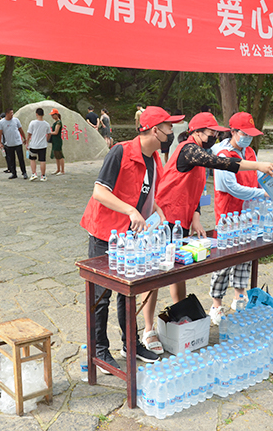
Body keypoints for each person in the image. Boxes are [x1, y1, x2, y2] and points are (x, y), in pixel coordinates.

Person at [80, 106, 185, 370]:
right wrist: (130, 210)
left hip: (132, 235)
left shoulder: (154, 159)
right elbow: (99, 192)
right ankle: (99, 351)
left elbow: (146, 194)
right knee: (101, 294)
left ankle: (131, 343)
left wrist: (157, 211)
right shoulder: (121, 151)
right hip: (106, 233)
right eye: (169, 127)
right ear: (155, 130)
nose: (172, 132)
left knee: (128, 291)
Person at [156, 112, 273, 304]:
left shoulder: (200, 153)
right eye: (211, 133)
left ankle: (180, 309)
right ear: (196, 132)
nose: (214, 137)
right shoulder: (188, 149)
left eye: (216, 133)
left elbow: (197, 190)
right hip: (165, 217)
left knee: (179, 269)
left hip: (182, 218)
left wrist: (196, 217)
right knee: (158, 273)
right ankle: (159, 317)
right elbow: (220, 163)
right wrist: (257, 165)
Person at [208, 112, 268, 325]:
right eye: (244, 134)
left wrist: (272, 184)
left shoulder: (250, 152)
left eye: (251, 134)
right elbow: (231, 187)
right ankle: (216, 304)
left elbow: (257, 177)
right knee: (224, 260)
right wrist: (262, 193)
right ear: (232, 131)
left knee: (245, 256)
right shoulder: (223, 155)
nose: (248, 138)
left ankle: (240, 297)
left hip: (248, 213)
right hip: (228, 213)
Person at [0, 108, 28, 180]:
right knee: (11, 159)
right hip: (9, 143)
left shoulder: (16, 120)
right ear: (7, 114)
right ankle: (14, 173)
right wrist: (0, 143)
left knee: (21, 158)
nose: (12, 114)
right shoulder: (1, 122)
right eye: (10, 113)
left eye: (12, 113)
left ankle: (24, 172)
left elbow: (20, 129)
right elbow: (0, 133)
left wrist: (24, 138)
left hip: (18, 142)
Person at [26, 108, 52, 181]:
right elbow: (49, 134)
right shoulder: (46, 124)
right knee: (42, 160)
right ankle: (43, 176)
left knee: (32, 159)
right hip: (43, 145)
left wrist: (27, 142)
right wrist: (46, 140)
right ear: (43, 114)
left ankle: (34, 174)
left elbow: (29, 134)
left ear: (36, 114)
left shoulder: (32, 123)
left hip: (33, 145)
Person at [49, 108, 65, 175]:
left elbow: (56, 132)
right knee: (56, 155)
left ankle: (62, 170)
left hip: (57, 140)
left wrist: (49, 132)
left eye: (53, 115)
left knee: (59, 155)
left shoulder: (58, 122)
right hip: (54, 140)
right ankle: (58, 169)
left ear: (56, 114)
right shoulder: (55, 122)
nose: (52, 116)